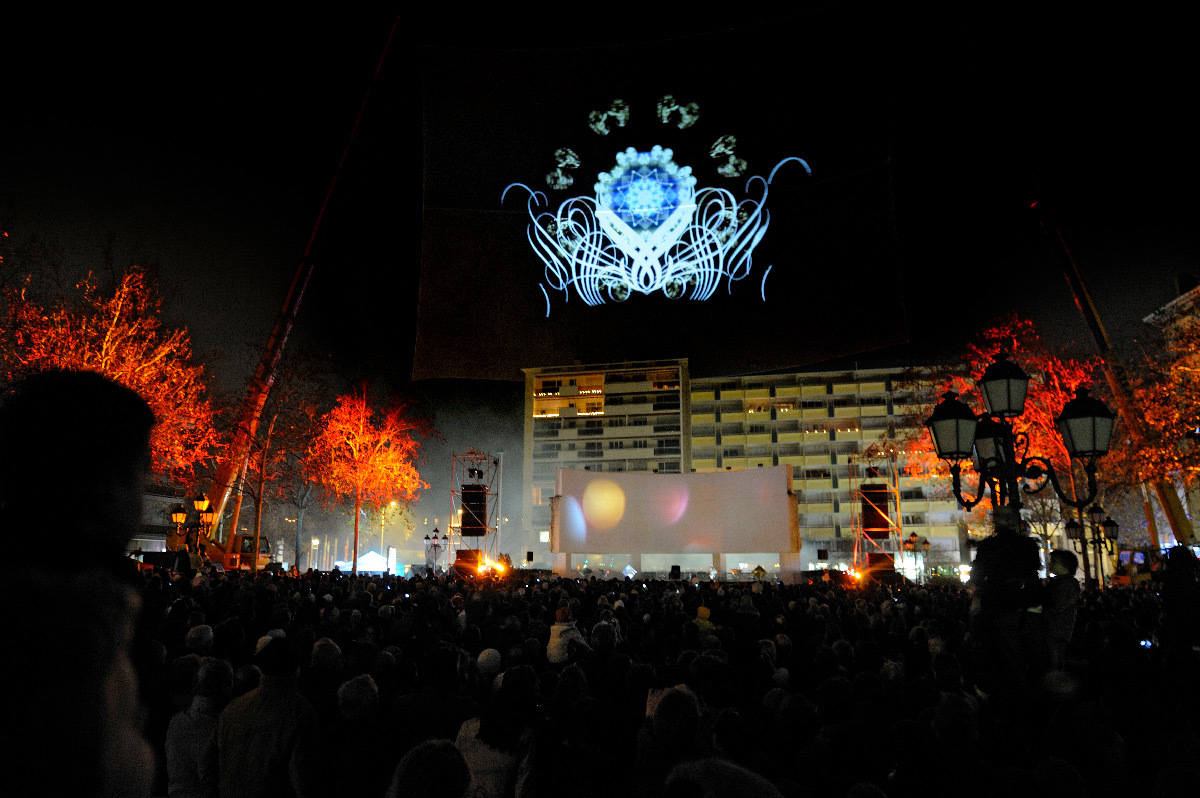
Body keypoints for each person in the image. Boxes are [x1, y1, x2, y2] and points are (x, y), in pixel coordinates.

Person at [209, 636, 321, 797]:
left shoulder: (234, 706)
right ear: (296, 669)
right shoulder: (300, 712)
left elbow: (208, 762)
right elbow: (302, 777)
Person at [1043, 550, 1080, 671]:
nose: (1050, 564)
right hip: (1057, 628)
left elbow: (1057, 605)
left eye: (1054, 562)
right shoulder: (1062, 582)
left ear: (1065, 565)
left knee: (1055, 661)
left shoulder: (1066, 584)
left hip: (1057, 629)